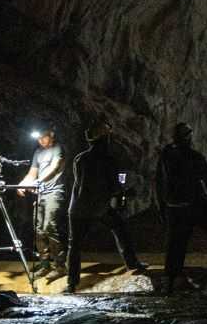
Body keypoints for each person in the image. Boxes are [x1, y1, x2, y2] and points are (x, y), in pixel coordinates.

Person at [156, 122, 207, 295]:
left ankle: (170, 281)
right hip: (193, 204)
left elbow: (158, 182)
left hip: (173, 207)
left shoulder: (165, 155)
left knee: (175, 244)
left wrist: (162, 206)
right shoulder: (195, 157)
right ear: (188, 137)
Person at [65, 119, 147, 293]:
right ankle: (132, 263)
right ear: (103, 141)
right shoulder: (107, 159)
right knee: (120, 228)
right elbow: (113, 186)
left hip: (78, 208)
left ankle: (71, 283)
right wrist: (124, 193)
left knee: (75, 246)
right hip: (99, 207)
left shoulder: (80, 159)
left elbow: (80, 182)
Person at [15, 128, 68, 281]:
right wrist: (23, 184)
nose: (40, 141)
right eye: (38, 139)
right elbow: (32, 172)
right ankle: (45, 265)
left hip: (55, 192)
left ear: (51, 134)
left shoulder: (58, 148)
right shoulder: (38, 152)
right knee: (38, 229)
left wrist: (38, 182)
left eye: (43, 137)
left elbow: (55, 166)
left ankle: (60, 266)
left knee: (49, 226)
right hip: (41, 193)